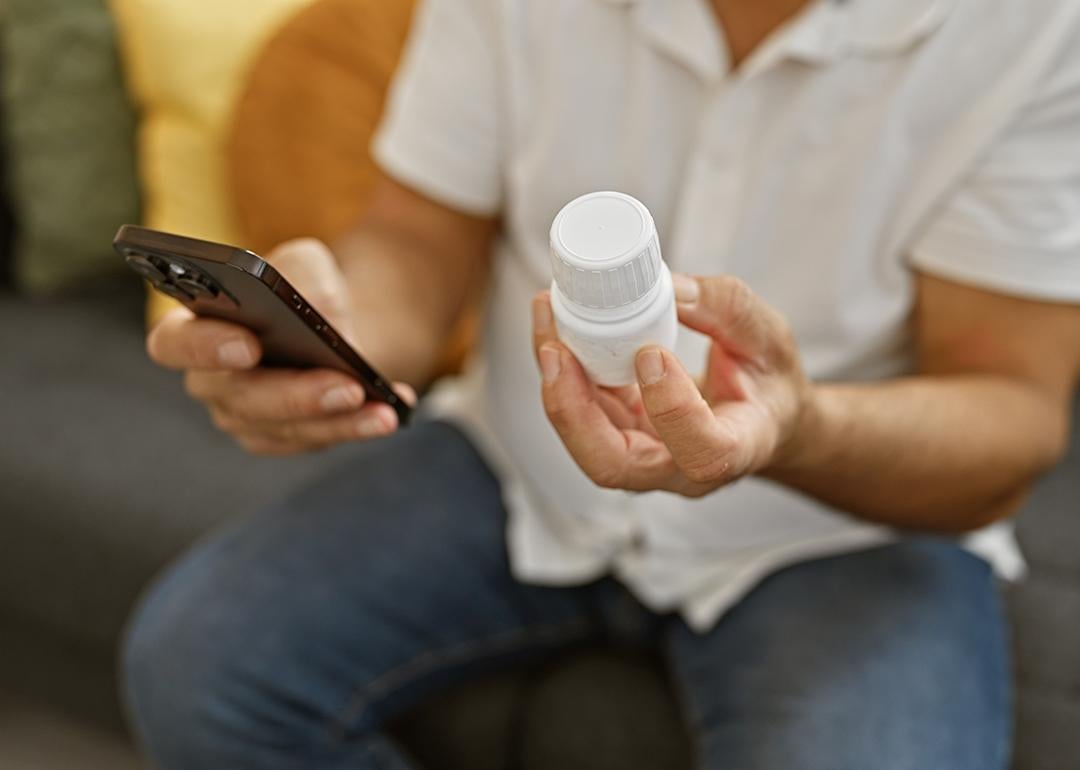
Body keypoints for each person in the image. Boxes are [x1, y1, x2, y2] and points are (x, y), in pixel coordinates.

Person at [123, 0, 1080, 767]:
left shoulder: (1029, 30)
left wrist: (800, 427)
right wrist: (334, 329)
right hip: (520, 464)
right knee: (198, 668)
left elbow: (1011, 412)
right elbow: (416, 240)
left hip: (842, 524)